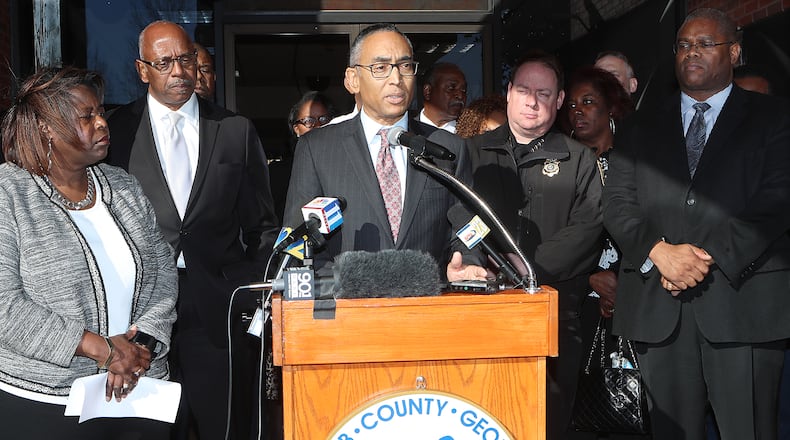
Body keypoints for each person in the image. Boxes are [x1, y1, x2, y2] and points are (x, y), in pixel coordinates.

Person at [603, 8, 790, 440]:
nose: (691, 52)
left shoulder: (775, 117)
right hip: (659, 310)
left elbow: (777, 200)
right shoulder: (639, 126)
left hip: (744, 307)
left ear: (734, 53)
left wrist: (703, 258)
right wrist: (659, 252)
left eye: (705, 44)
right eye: (684, 45)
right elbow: (617, 203)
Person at [106, 20, 280, 440]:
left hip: (218, 306)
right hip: (139, 311)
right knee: (152, 428)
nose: (179, 71)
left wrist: (248, 291)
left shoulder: (234, 130)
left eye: (186, 59)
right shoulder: (115, 132)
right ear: (142, 69)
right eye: (164, 62)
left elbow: (261, 225)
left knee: (223, 424)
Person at [0, 66, 177, 438]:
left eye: (101, 112)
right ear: (47, 128)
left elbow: (163, 270)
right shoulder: (9, 193)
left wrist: (140, 344)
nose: (102, 123)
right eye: (87, 116)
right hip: (44, 402)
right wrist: (102, 350)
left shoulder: (123, 186)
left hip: (137, 389)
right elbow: (6, 306)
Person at [465, 51, 603, 440]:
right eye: (524, 90)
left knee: (547, 423)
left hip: (554, 317)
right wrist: (478, 259)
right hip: (480, 314)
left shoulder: (579, 160)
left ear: (559, 101)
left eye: (543, 93)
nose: (532, 101)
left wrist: (525, 266)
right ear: (508, 93)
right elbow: (455, 218)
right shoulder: (470, 154)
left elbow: (589, 227)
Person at [283, 22, 483, 282]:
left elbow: (468, 229)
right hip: (348, 301)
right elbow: (298, 243)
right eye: (380, 68)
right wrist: (343, 284)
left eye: (405, 66)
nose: (396, 79)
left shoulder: (447, 148)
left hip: (427, 300)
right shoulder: (317, 148)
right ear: (353, 80)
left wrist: (467, 262)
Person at [418, 62, 467, 133]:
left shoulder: (472, 136)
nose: (460, 96)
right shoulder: (407, 129)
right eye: (451, 88)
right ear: (428, 91)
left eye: (464, 90)